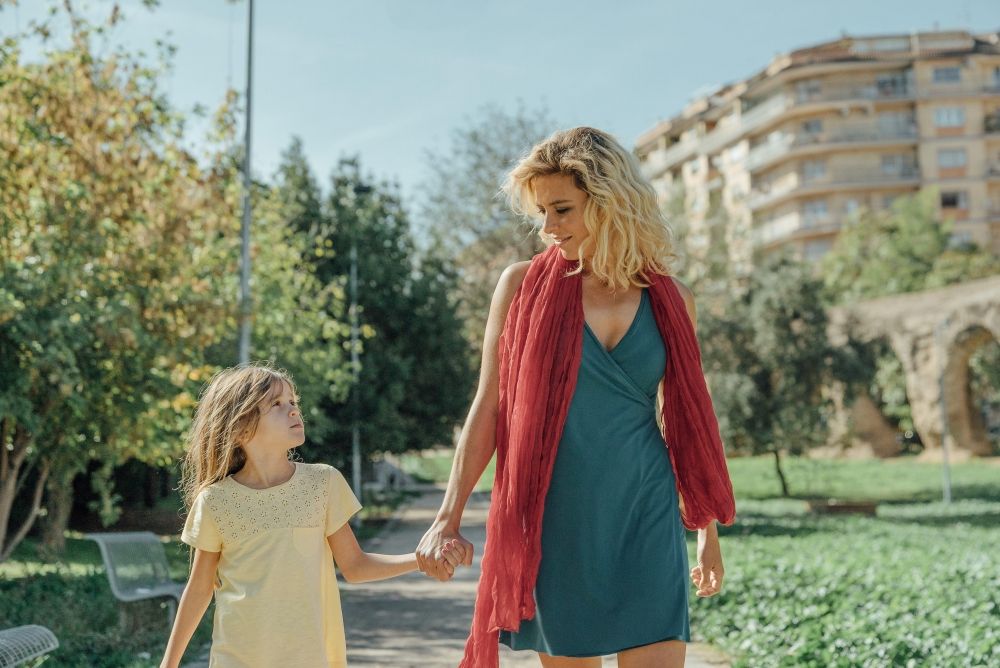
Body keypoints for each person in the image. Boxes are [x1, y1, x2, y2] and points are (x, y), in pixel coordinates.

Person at [416, 127, 736, 668]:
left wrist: (707, 532)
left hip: (646, 507)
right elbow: (489, 406)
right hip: (556, 516)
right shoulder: (521, 287)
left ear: (610, 202)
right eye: (542, 212)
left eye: (562, 209)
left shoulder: (673, 299)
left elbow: (688, 424)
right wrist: (447, 516)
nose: (548, 227)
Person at [159, 363, 461, 668]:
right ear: (241, 427)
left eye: (293, 401)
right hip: (236, 659)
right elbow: (199, 589)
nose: (293, 410)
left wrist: (420, 560)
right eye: (277, 404)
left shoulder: (323, 483)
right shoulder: (215, 500)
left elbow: (355, 566)